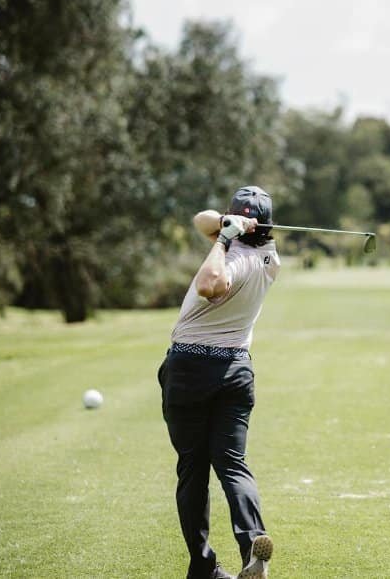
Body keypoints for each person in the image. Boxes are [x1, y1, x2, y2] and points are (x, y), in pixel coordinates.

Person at [159, 186, 280, 579]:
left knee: (193, 468)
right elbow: (201, 220)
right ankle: (252, 545)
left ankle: (203, 567)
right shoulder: (269, 258)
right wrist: (226, 226)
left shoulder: (236, 259)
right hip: (236, 372)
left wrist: (225, 236)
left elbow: (210, 284)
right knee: (232, 463)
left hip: (190, 370)